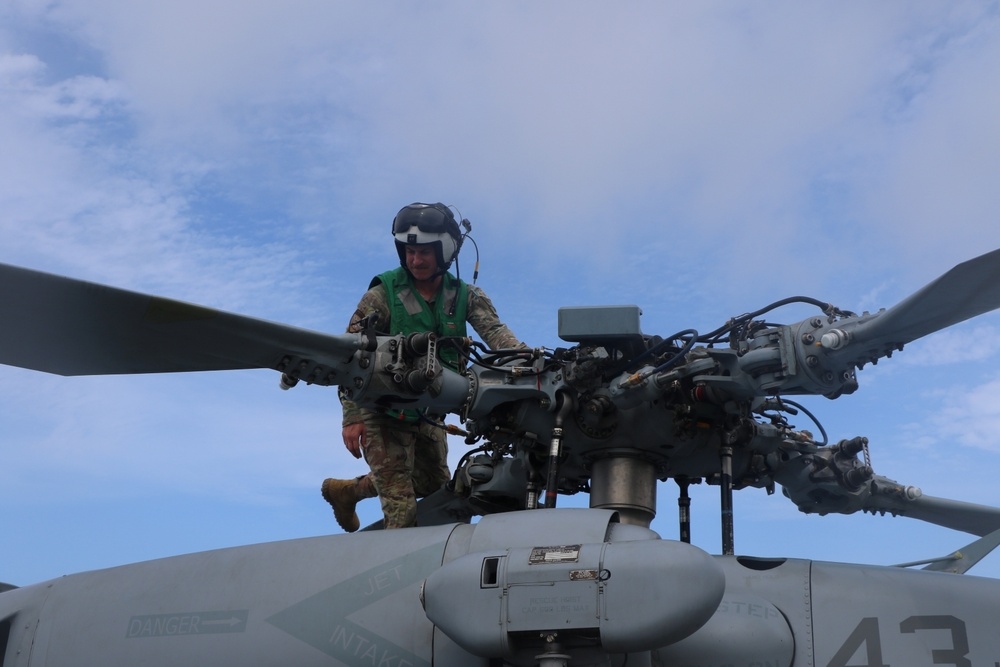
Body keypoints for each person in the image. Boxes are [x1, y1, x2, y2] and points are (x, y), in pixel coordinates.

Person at [322, 202, 524, 532]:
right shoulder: (383, 294)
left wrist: (528, 361)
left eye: (424, 253)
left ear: (445, 251)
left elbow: (498, 336)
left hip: (428, 412)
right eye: (409, 252)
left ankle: (347, 492)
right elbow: (349, 357)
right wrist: (352, 416)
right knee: (402, 511)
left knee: (437, 491)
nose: (415, 260)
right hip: (380, 411)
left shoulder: (466, 297)